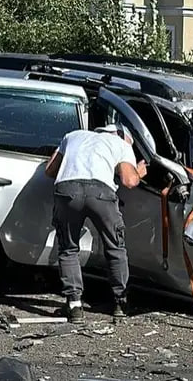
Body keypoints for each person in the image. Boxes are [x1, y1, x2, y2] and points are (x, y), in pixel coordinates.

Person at [44, 124, 147, 324]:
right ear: (123, 136)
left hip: (67, 191)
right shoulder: (121, 143)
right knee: (115, 247)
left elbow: (50, 170)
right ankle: (120, 302)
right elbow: (129, 180)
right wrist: (139, 171)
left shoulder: (72, 135)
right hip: (101, 193)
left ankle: (74, 305)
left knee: (68, 248)